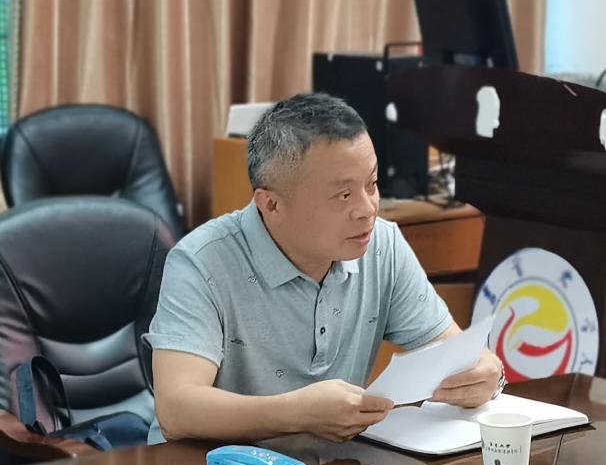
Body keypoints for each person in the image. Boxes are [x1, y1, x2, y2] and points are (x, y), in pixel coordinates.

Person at [144, 93, 502, 445]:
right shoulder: (201, 261)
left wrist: (485, 373)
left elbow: (454, 352)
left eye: (372, 184)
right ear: (271, 204)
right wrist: (297, 414)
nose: (368, 209)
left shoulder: (382, 245)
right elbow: (177, 410)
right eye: (343, 195)